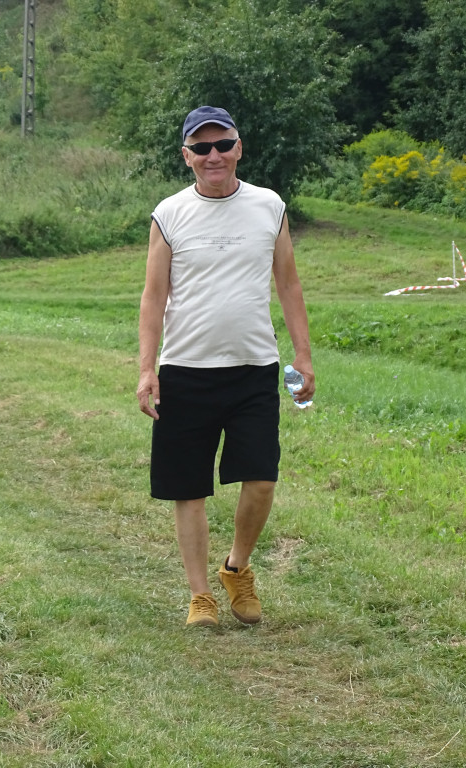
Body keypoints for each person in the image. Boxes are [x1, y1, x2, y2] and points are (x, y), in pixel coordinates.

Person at [136, 106, 314, 628]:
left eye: (223, 144)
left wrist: (302, 355)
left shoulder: (269, 205)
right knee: (187, 486)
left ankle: (237, 569)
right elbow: (153, 297)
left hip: (255, 367)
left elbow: (289, 284)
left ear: (238, 148)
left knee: (260, 478)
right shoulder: (169, 214)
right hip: (186, 370)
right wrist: (148, 369)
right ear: (186, 155)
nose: (213, 156)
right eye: (202, 147)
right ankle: (200, 597)